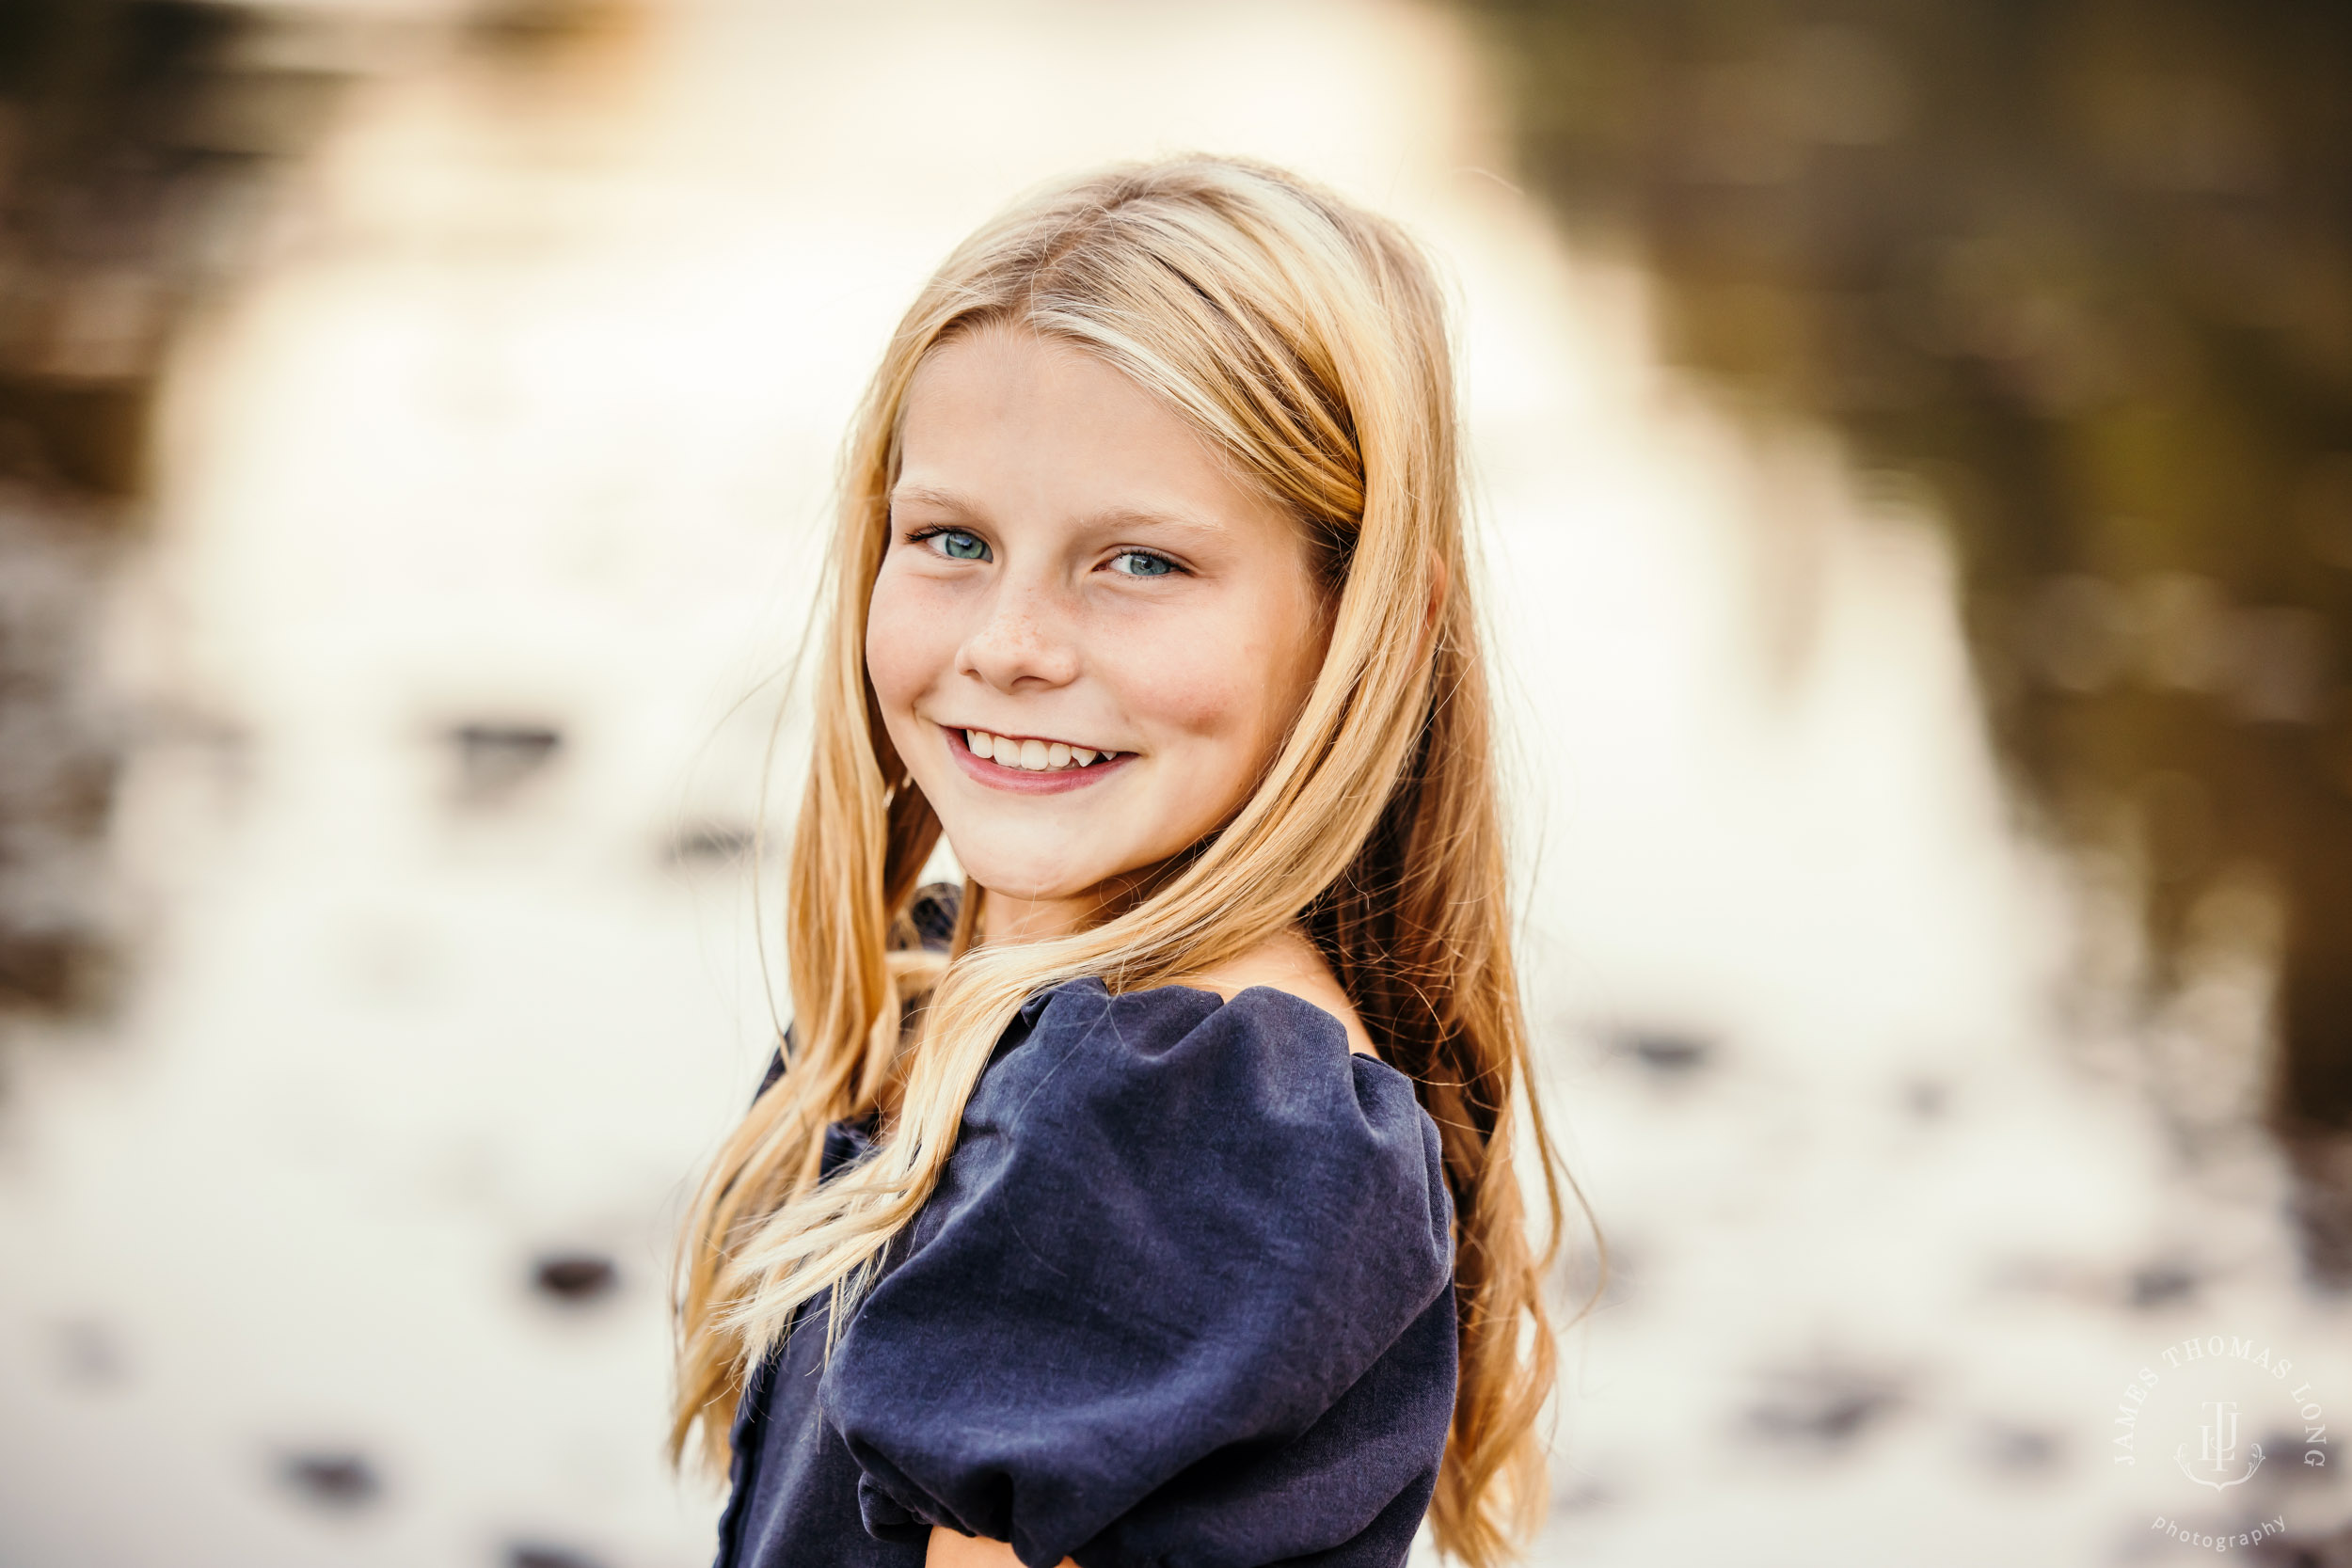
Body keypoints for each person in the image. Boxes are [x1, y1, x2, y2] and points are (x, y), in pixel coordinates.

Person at [670, 155, 1591, 1568]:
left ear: (1370, 623)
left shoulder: (1194, 1123)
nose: (1011, 646)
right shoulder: (968, 993)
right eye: (953, 539)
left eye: (1141, 563)